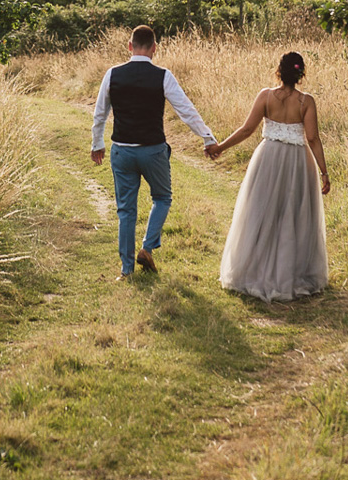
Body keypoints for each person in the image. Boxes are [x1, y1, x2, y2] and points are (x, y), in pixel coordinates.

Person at [89, 25, 219, 280]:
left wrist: (97, 144)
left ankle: (126, 270)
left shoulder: (112, 74)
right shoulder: (163, 76)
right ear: (154, 48)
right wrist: (208, 138)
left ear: (129, 46)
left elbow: (100, 112)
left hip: (122, 151)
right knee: (162, 198)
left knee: (126, 210)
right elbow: (186, 110)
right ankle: (147, 248)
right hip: (153, 152)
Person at [210, 50, 330, 301]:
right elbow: (312, 138)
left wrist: (220, 147)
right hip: (298, 164)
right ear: (301, 74)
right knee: (292, 216)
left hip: (268, 159)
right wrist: (324, 171)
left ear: (279, 70)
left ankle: (253, 269)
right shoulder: (306, 102)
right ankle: (289, 274)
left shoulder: (265, 96)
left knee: (260, 213)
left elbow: (246, 130)